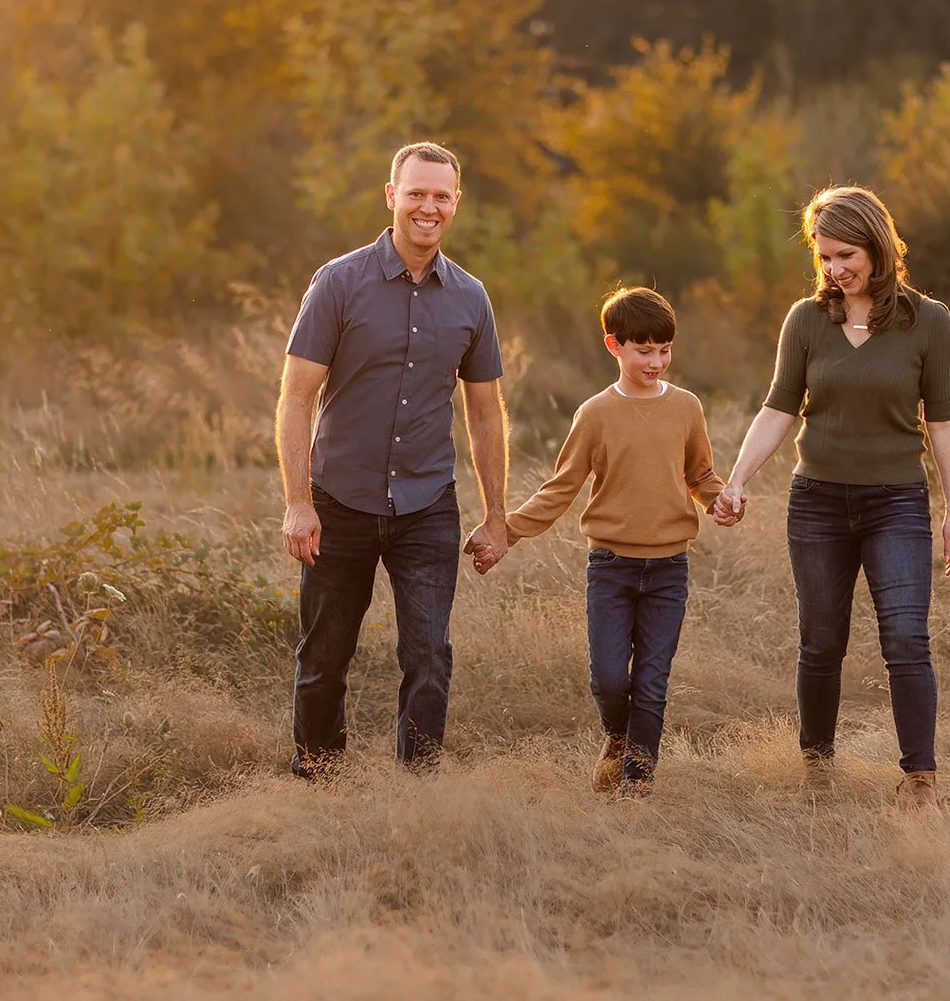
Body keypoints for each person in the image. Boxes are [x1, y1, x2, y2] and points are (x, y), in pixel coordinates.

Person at [712, 185, 950, 804]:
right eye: (824, 257)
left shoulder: (928, 321)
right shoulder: (806, 320)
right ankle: (817, 768)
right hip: (818, 502)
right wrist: (738, 479)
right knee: (822, 639)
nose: (835, 269)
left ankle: (919, 777)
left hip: (896, 503)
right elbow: (778, 409)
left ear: (878, 248)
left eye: (846, 255)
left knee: (906, 636)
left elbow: (945, 421)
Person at [277, 142, 512, 777]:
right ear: (391, 196)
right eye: (415, 193)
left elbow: (486, 412)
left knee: (429, 657)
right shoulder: (339, 282)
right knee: (325, 655)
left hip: (426, 505)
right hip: (338, 502)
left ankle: (418, 790)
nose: (427, 207)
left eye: (441, 196)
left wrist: (497, 516)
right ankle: (317, 781)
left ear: (455, 203)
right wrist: (298, 503)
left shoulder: (471, 298)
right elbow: (297, 397)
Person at [475, 286, 731, 797]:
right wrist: (507, 531)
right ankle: (617, 737)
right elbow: (561, 487)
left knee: (652, 682)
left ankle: (638, 782)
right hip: (610, 568)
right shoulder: (594, 414)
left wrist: (719, 499)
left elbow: (700, 474)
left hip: (669, 570)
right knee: (611, 680)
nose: (656, 361)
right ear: (614, 345)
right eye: (644, 351)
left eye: (664, 350)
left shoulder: (687, 407)